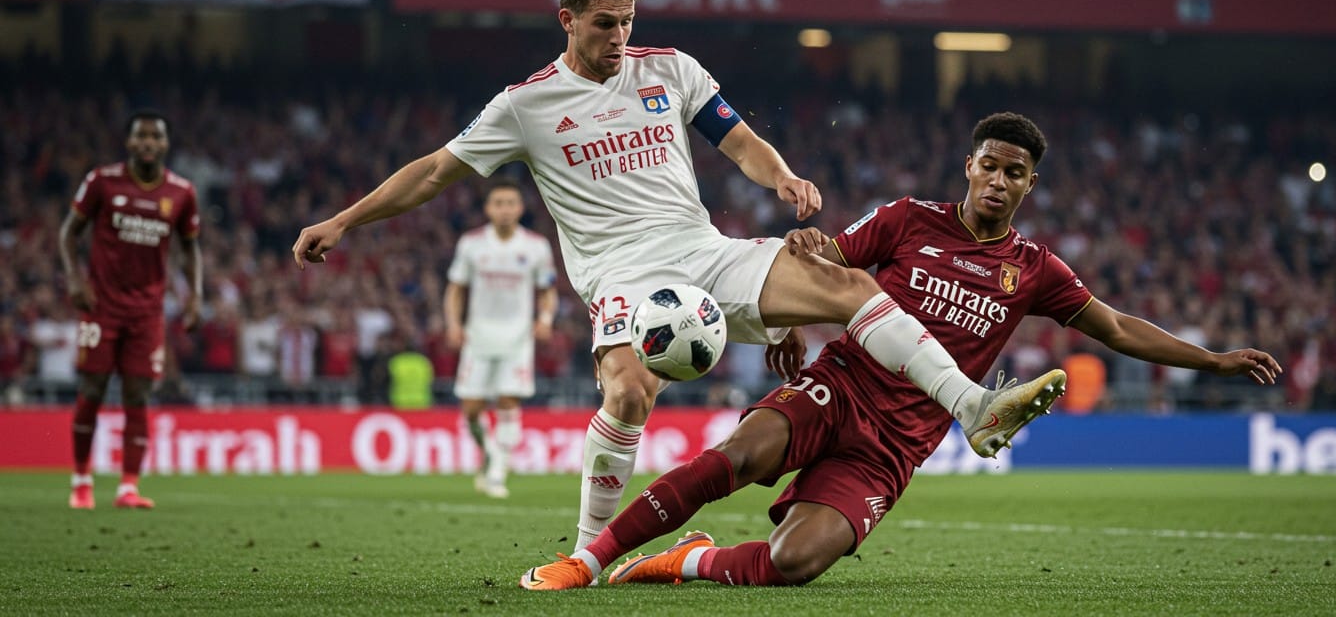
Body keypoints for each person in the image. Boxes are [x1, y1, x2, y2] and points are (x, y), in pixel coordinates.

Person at [293, 0, 1056, 557]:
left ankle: (973, 406)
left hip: (703, 250)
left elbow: (739, 140)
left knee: (845, 283)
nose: (619, 38)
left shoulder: (670, 69)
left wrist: (782, 174)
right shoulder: (524, 106)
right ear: (567, 20)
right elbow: (432, 171)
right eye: (603, 25)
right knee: (627, 396)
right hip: (623, 275)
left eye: (627, 22)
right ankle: (591, 548)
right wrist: (346, 220)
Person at [518, 111, 1282, 590]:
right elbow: (819, 270)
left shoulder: (1035, 270)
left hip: (897, 441)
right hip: (842, 384)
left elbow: (1115, 328)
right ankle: (586, 561)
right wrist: (789, 321)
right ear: (971, 167)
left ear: (1029, 185)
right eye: (990, 164)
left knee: (793, 563)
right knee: (740, 457)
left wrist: (1213, 360)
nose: (998, 179)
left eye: (1015, 172)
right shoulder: (909, 219)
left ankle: (683, 560)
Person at [59, 111, 202, 509]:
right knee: (93, 388)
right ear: (129, 142)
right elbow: (69, 231)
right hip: (101, 305)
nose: (148, 143)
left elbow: (191, 248)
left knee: (138, 395)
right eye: (141, 136)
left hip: (147, 311)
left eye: (155, 136)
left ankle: (128, 487)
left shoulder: (181, 192)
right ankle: (81, 480)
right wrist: (74, 278)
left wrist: (195, 295)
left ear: (165, 144)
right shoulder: (102, 181)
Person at [442, 180, 559, 499]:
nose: (505, 209)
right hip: (478, 336)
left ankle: (497, 471)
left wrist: (545, 319)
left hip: (517, 337)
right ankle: (489, 453)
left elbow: (547, 290)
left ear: (520, 208)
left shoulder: (535, 246)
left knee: (508, 400)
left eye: (511, 203)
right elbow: (455, 289)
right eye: (499, 203)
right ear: (488, 208)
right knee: (471, 409)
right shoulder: (472, 244)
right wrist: (453, 323)